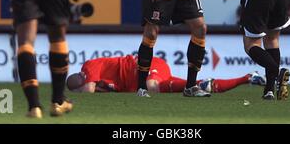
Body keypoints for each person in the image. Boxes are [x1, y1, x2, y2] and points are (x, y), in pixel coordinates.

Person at [66, 55, 266, 93]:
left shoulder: (89, 66)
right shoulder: (98, 82)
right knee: (196, 86)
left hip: (146, 66)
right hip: (145, 80)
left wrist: (79, 95)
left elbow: (89, 89)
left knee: (152, 86)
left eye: (79, 90)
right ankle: (247, 77)